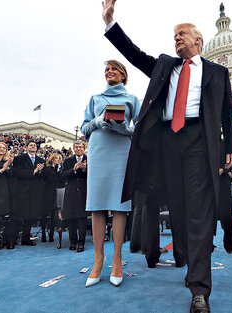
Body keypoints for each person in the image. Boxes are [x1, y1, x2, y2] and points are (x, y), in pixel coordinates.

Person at [101, 1, 232, 311]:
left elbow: (227, 115)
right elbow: (134, 55)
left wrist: (230, 146)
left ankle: (200, 291)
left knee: (199, 214)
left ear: (198, 40)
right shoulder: (165, 65)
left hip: (199, 142)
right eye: (174, 35)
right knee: (178, 210)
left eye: (182, 34)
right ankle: (190, 263)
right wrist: (111, 23)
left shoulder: (217, 72)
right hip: (165, 143)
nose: (176, 39)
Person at [81, 59, 140, 288]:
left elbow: (141, 129)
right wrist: (97, 121)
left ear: (123, 74)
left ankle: (117, 258)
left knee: (118, 206)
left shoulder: (132, 99)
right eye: (106, 69)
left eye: (114, 68)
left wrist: (126, 129)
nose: (109, 72)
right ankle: (98, 258)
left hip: (121, 152)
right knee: (96, 205)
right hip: (98, 151)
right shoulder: (95, 99)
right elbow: (85, 128)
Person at [8, 141, 45, 248]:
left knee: (30, 216)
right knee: (17, 217)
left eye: (35, 145)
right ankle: (12, 240)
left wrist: (40, 172)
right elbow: (17, 172)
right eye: (31, 145)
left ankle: (25, 238)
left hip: (35, 193)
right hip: (21, 191)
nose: (33, 146)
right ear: (26, 147)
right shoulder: (19, 158)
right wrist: (34, 171)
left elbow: (43, 176)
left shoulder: (41, 160)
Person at [60, 141, 88, 253]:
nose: (78, 149)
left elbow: (94, 175)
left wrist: (85, 168)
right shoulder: (68, 161)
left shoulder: (89, 160)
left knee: (82, 219)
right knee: (71, 218)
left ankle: (81, 243)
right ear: (73, 149)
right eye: (76, 147)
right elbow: (62, 175)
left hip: (84, 192)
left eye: (80, 147)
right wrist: (74, 169)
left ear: (84, 148)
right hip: (71, 192)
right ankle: (73, 242)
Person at [41, 153, 63, 243]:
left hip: (56, 193)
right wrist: (55, 171)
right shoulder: (46, 169)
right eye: (56, 158)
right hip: (47, 193)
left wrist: (58, 171)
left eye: (59, 159)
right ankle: (43, 233)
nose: (57, 160)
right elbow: (48, 180)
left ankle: (51, 234)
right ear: (52, 159)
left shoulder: (60, 170)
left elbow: (61, 181)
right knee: (44, 214)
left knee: (53, 215)